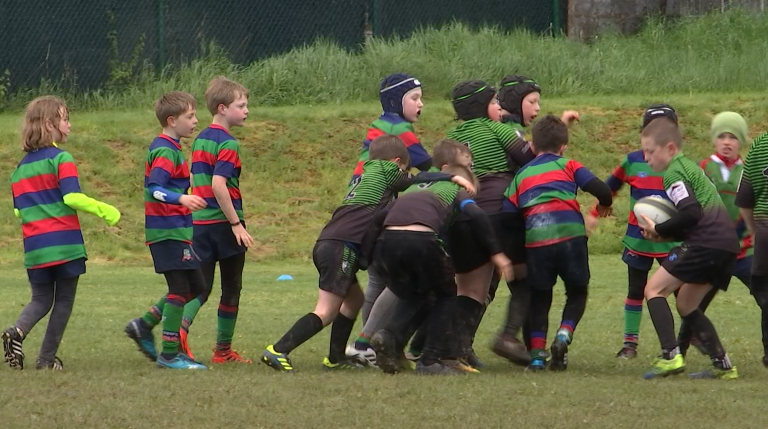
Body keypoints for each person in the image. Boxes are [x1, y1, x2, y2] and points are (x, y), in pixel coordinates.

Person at [261, 135, 475, 372]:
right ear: (397, 162)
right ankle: (278, 350)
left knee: (354, 301)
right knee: (326, 310)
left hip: (330, 242)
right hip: (341, 245)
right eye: (404, 168)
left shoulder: (367, 174)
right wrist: (450, 177)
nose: (405, 173)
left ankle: (335, 358)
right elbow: (419, 178)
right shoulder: (386, 169)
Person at [3, 96, 120, 370]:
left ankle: (17, 331)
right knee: (64, 300)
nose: (69, 125)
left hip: (35, 248)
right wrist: (106, 210)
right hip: (64, 244)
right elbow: (72, 197)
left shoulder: (19, 170)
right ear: (49, 124)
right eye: (65, 119)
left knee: (41, 299)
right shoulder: (61, 159)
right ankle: (46, 359)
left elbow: (19, 212)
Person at [503, 114, 612, 371]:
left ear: (532, 146)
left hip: (537, 242)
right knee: (577, 291)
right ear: (563, 147)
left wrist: (517, 246)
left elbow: (508, 215)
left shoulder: (521, 175)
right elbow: (602, 189)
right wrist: (604, 204)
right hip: (571, 238)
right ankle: (563, 335)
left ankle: (537, 357)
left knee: (540, 298)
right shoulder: (569, 165)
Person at [638, 117, 739, 380]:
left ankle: (670, 356)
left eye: (650, 151)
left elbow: (691, 213)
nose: (646, 158)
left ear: (670, 148)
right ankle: (724, 365)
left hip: (707, 242)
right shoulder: (689, 167)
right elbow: (695, 217)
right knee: (686, 303)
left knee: (653, 289)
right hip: (726, 245)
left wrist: (659, 228)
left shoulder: (673, 172)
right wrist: (664, 234)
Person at [585, 104, 679, 359]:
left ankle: (684, 340)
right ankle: (630, 344)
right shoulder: (633, 161)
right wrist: (595, 213)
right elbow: (610, 187)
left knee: (681, 292)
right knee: (636, 290)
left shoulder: (680, 164)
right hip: (639, 240)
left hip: (671, 240)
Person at [124, 91, 210, 369]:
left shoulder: (173, 148)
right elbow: (155, 189)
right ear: (172, 121)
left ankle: (143, 324)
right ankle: (170, 354)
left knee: (197, 286)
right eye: (190, 116)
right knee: (179, 288)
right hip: (166, 232)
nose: (195, 121)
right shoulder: (164, 151)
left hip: (178, 231)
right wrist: (181, 198)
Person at [188, 76, 254, 363]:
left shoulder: (200, 138)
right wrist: (236, 224)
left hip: (199, 224)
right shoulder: (229, 143)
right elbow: (219, 184)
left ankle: (176, 339)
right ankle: (222, 351)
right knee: (231, 288)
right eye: (241, 105)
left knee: (200, 288)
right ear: (223, 108)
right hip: (225, 225)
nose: (247, 111)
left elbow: (194, 179)